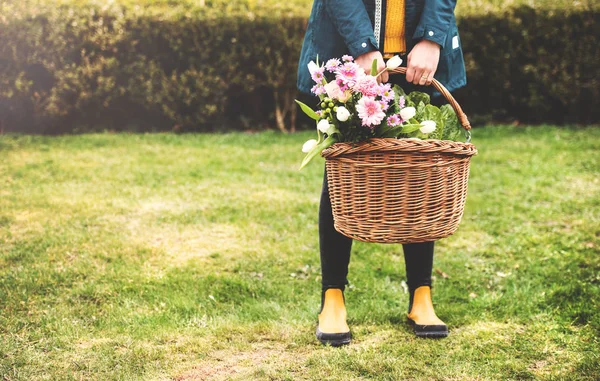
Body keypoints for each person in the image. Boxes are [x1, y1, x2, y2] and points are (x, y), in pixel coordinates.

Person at [296, 0, 467, 346]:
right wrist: (362, 46)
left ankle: (422, 295)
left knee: (420, 175)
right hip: (346, 45)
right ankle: (332, 298)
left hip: (419, 53)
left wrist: (432, 38)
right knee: (346, 169)